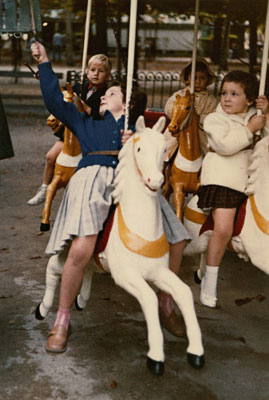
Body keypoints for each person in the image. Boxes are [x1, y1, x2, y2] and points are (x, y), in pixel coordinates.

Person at [31, 41, 191, 352]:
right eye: (105, 94)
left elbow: (158, 146)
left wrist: (136, 141)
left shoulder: (134, 127)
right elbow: (53, 100)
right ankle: (62, 320)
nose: (104, 95)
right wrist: (45, 62)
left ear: (127, 103)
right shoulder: (84, 121)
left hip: (129, 181)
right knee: (81, 248)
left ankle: (166, 302)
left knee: (177, 238)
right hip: (92, 178)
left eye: (112, 94)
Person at [196, 70, 269, 308]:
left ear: (249, 100)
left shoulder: (255, 116)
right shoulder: (214, 119)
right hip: (223, 180)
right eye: (224, 93)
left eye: (234, 94)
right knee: (224, 228)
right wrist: (249, 129)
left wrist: (265, 114)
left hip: (248, 182)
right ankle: (210, 283)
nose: (226, 98)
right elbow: (225, 145)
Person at [27, 53, 112, 206]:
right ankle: (45, 187)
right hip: (71, 132)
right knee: (50, 157)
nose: (95, 74)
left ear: (107, 75)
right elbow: (62, 94)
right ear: (87, 71)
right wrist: (44, 79)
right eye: (92, 70)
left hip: (89, 133)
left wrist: (86, 107)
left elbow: (103, 115)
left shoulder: (107, 94)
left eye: (101, 71)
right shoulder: (81, 87)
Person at [164, 57, 218, 158]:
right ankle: (164, 163)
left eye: (202, 78)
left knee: (207, 150)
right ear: (187, 79)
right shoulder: (180, 95)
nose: (198, 81)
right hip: (180, 129)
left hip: (199, 132)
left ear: (207, 80)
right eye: (194, 78)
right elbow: (168, 107)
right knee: (167, 146)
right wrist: (182, 113)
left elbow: (213, 116)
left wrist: (199, 118)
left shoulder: (210, 100)